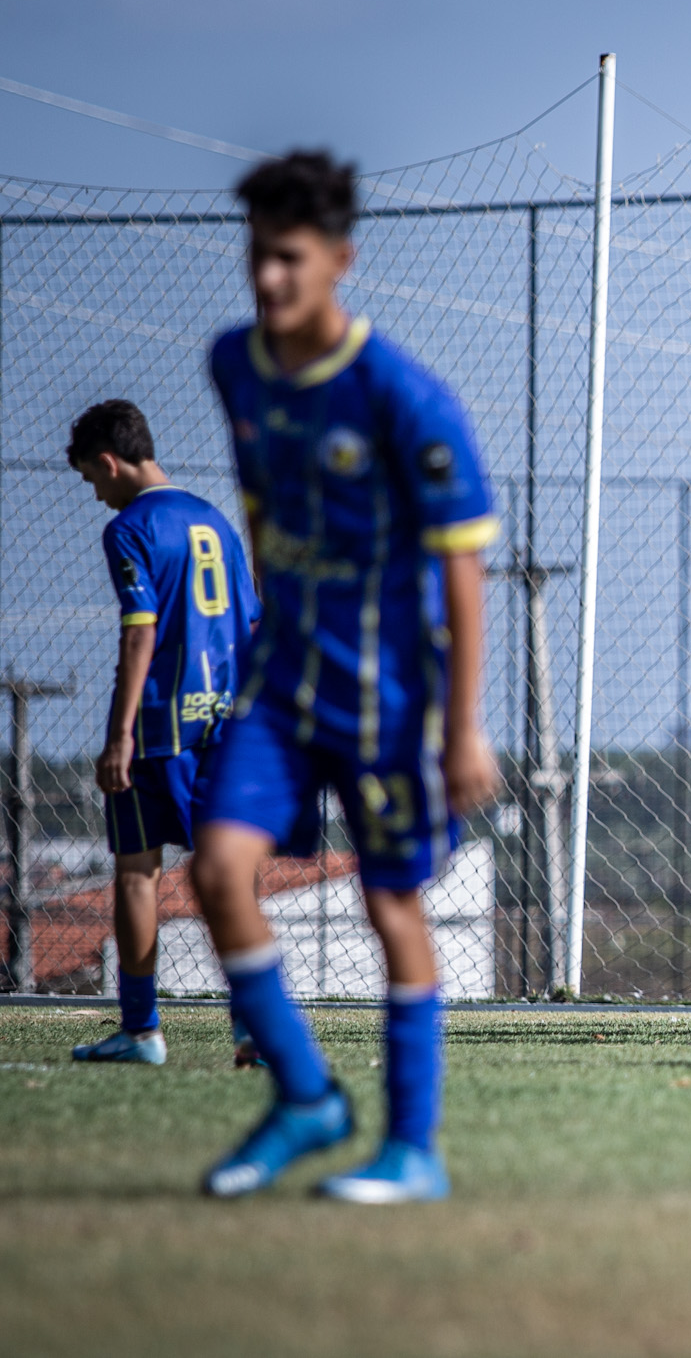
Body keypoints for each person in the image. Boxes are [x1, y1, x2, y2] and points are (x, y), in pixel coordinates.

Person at [190, 150, 501, 1202]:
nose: (267, 280)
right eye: (256, 256)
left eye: (288, 259)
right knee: (219, 870)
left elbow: (464, 569)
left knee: (390, 908)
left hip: (387, 703)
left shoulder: (403, 398)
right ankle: (308, 1097)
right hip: (278, 691)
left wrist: (462, 728)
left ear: (339, 260)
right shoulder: (233, 364)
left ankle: (411, 1150)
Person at [66, 400, 258, 1068]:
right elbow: (251, 625)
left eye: (93, 479)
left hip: (159, 730)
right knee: (229, 876)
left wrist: (119, 734)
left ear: (109, 461)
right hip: (225, 724)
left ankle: (143, 1030)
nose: (97, 494)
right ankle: (254, 1025)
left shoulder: (130, 528)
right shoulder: (215, 521)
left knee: (137, 876)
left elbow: (141, 629)